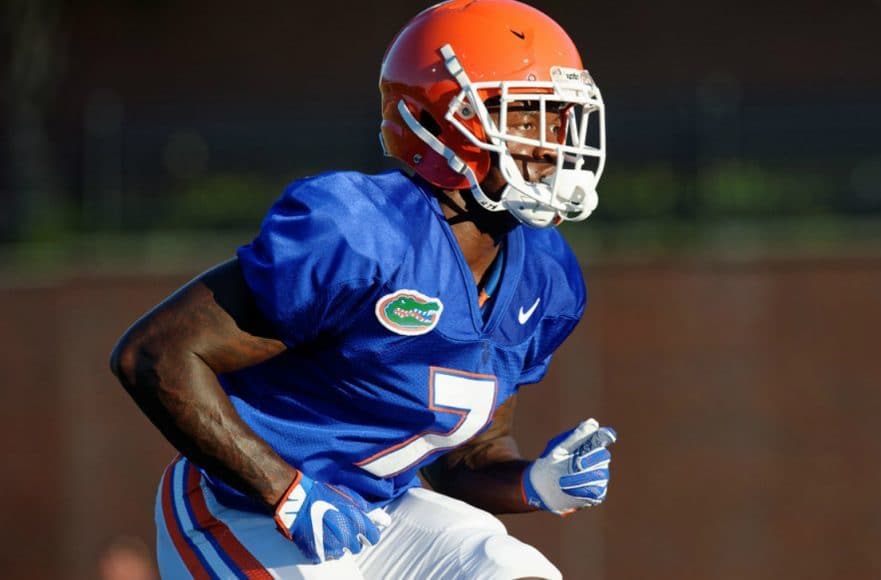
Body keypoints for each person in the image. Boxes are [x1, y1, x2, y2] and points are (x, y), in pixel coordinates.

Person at [110, 1, 615, 578]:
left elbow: (465, 459)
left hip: (381, 513)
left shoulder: (545, 277)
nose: (549, 144)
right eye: (524, 116)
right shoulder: (363, 233)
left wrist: (535, 483)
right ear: (440, 121)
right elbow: (155, 354)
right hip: (242, 509)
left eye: (557, 119)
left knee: (515, 571)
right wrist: (285, 490)